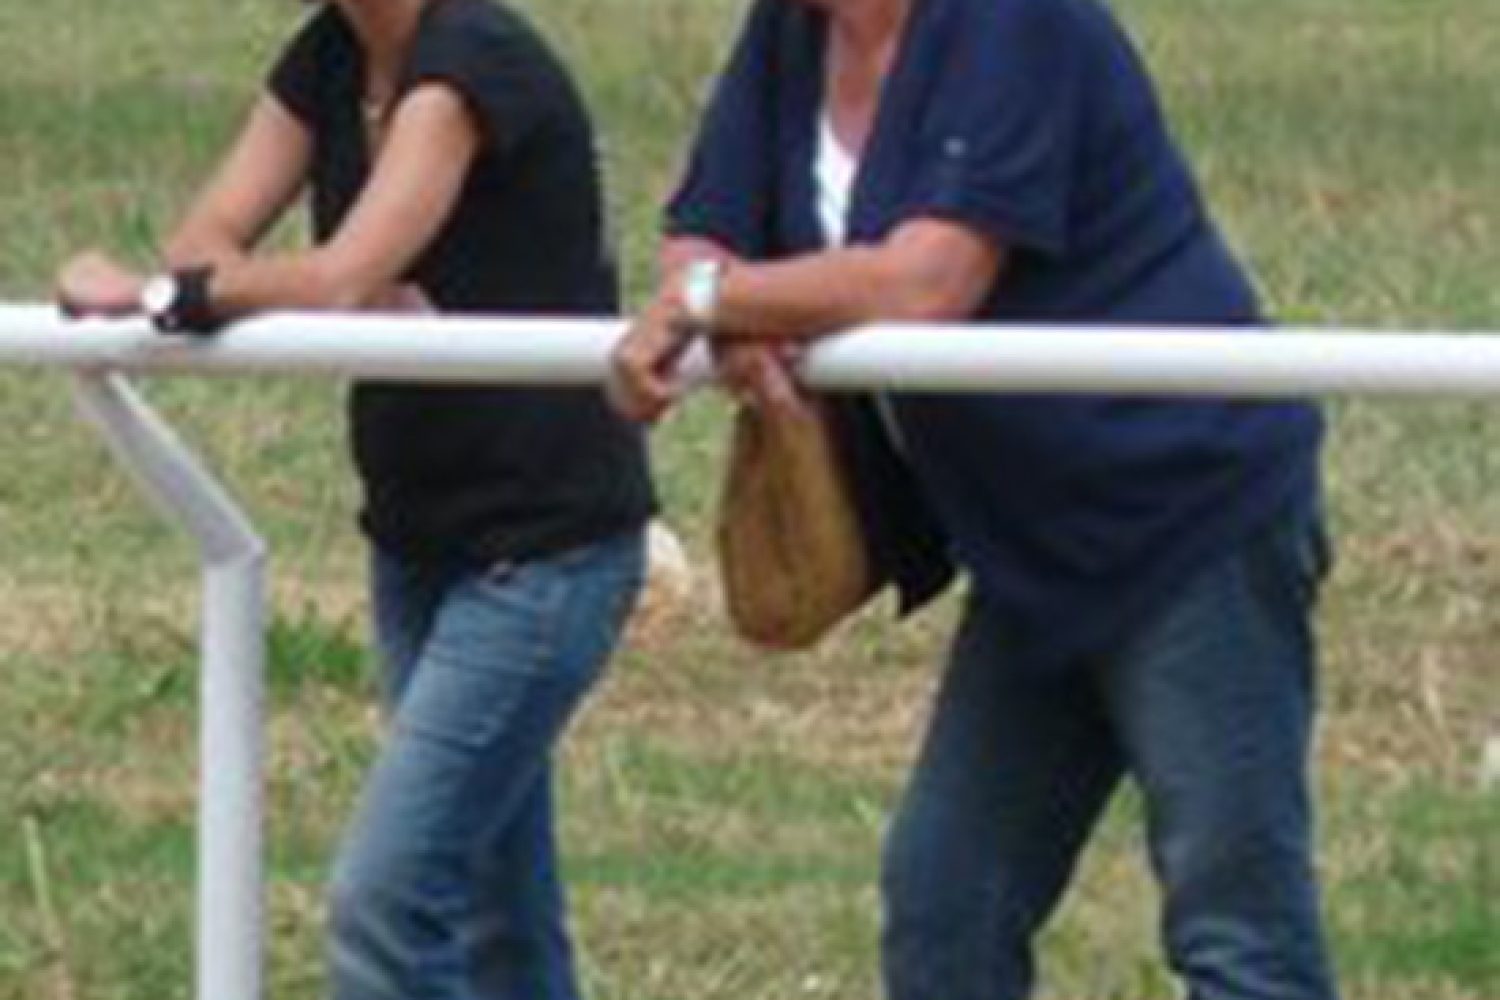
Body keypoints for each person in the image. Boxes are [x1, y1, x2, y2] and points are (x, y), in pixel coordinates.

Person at [609, 0, 1337, 997]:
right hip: (1026, 544)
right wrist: (723, 305)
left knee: (1234, 927)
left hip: (1186, 512)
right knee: (945, 902)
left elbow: (928, 282)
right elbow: (702, 234)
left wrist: (718, 303)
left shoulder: (1018, 21)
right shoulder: (789, 31)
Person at [55, 0, 656, 997]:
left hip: (543, 557)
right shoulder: (331, 53)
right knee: (500, 917)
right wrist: (265, 282)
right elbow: (206, 239)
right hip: (419, 542)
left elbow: (335, 272)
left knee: (386, 905)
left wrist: (190, 295)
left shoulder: (468, 63)